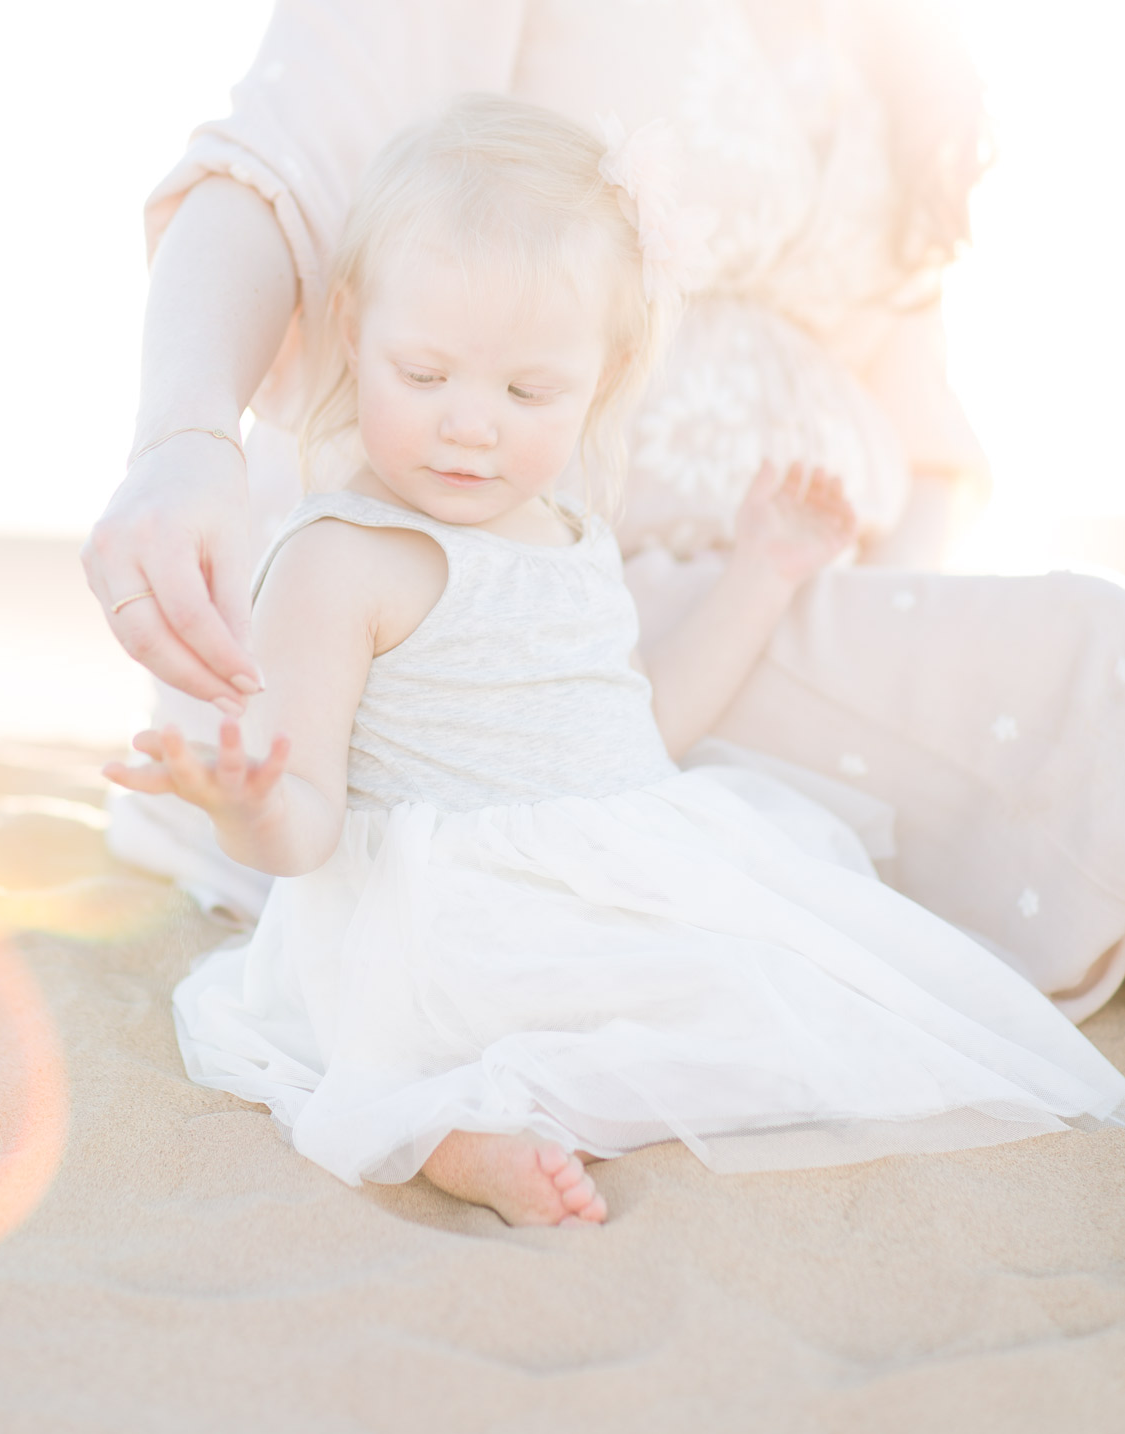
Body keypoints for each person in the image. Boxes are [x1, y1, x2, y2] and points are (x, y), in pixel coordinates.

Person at [85, 0, 1125, 1016]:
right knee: (1101, 666)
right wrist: (179, 440)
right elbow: (280, 165)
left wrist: (872, 583)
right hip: (509, 617)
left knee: (1062, 660)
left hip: (775, 599)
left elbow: (918, 406)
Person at [102, 102, 1124, 1228]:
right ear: (349, 325)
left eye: (526, 391)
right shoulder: (341, 558)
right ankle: (450, 1129)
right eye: (425, 373)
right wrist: (243, 803)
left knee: (797, 1001)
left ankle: (485, 1106)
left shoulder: (568, 524)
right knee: (528, 1031)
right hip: (448, 922)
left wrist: (765, 573)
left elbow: (637, 736)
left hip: (615, 861)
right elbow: (304, 829)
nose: (469, 427)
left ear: (605, 373)